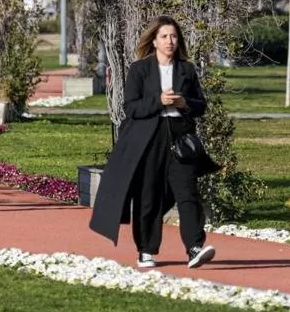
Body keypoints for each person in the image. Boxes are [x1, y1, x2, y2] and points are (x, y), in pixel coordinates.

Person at [88, 15, 221, 269]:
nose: (170, 41)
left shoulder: (186, 69)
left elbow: (201, 105)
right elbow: (131, 108)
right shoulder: (140, 69)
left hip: (180, 138)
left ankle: (194, 247)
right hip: (149, 138)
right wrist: (158, 101)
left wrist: (184, 103)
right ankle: (146, 250)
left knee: (187, 192)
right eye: (164, 36)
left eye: (174, 36)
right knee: (148, 195)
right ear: (154, 41)